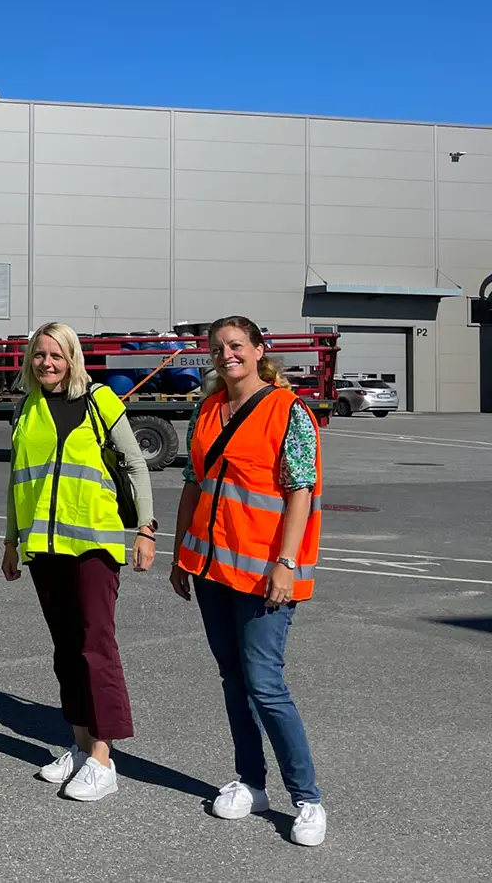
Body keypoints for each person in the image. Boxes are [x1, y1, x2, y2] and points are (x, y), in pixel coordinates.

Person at [170, 315, 327, 847]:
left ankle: (306, 798)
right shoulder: (207, 409)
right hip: (212, 569)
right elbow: (194, 484)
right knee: (233, 680)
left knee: (266, 685)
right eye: (217, 347)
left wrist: (285, 563)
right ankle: (251, 781)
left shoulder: (289, 411)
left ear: (260, 350)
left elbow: (299, 491)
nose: (226, 354)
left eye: (237, 345)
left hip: (264, 574)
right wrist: (179, 557)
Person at [1, 322, 156, 801]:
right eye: (40, 355)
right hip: (44, 549)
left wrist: (146, 529)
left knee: (96, 647)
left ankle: (103, 759)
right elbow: (18, 482)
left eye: (57, 355)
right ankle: (80, 742)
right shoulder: (27, 408)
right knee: (65, 649)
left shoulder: (99, 401)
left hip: (92, 544)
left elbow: (134, 463)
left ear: (72, 359)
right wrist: (11, 541)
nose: (47, 363)